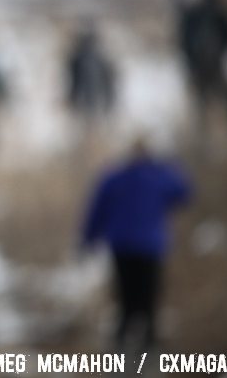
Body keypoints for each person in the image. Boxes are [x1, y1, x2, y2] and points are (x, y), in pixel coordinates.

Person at [81, 137, 191, 353]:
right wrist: (171, 165)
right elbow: (185, 192)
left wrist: (88, 239)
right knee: (148, 294)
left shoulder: (113, 177)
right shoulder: (159, 177)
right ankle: (148, 344)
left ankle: (123, 342)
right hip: (149, 247)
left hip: (121, 246)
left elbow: (96, 211)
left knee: (125, 293)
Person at [66, 19, 117, 123]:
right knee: (89, 123)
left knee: (88, 123)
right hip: (91, 99)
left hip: (89, 98)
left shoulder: (81, 57)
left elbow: (108, 80)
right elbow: (73, 78)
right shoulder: (99, 57)